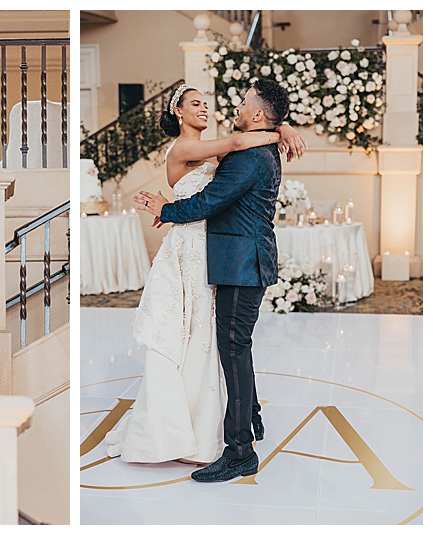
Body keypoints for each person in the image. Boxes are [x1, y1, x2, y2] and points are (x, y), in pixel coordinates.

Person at [133, 79, 300, 482]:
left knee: (232, 349)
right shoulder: (254, 146)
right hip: (231, 260)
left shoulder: (250, 154)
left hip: (239, 263)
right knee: (234, 347)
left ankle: (241, 451)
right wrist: (282, 128)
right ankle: (252, 421)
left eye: (244, 102)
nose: (234, 106)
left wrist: (167, 209)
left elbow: (211, 200)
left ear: (257, 114)